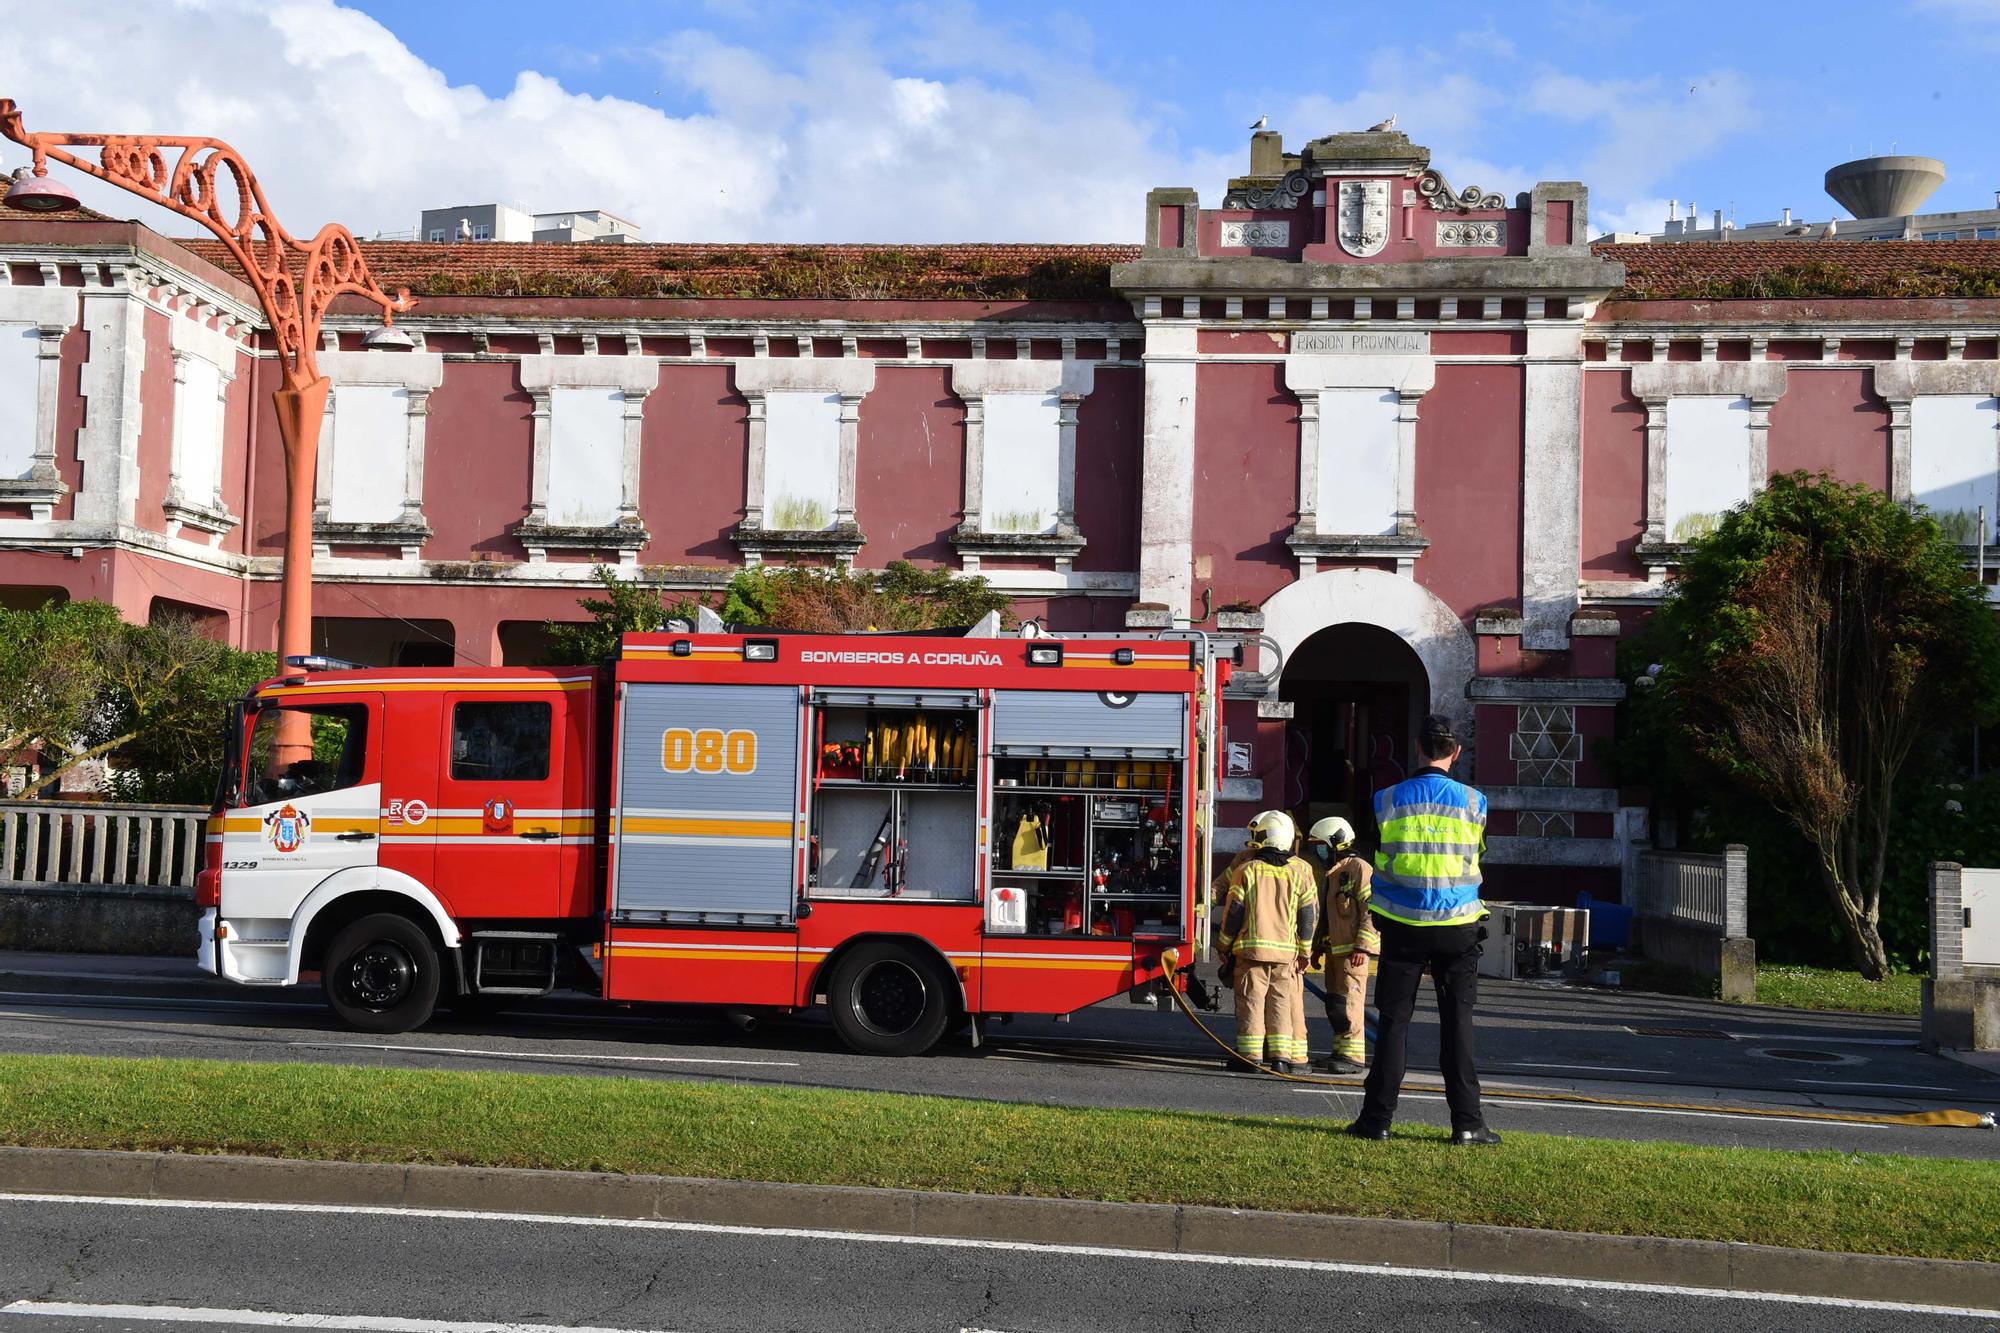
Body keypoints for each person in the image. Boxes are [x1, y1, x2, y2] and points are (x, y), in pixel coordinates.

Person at [1346, 714, 1501, 1146]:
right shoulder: (1474, 802)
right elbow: (1479, 855)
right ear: (1456, 753)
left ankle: (1376, 1121)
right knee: (1458, 1026)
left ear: (1417, 749)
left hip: (1402, 927)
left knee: (1394, 1024)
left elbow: (1379, 855)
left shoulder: (1386, 799)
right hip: (1458, 927)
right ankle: (1467, 1124)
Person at [1216, 810, 1318, 1073]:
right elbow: (1308, 916)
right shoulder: (1302, 871)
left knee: (1252, 1003)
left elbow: (1233, 913)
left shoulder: (1246, 870)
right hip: (1287, 955)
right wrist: (1305, 951)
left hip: (1252, 952)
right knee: (1281, 1005)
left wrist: (1223, 946)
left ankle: (1250, 1058)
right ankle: (1281, 1059)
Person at [1306, 816, 1378, 1074]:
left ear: (1336, 841)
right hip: (1335, 952)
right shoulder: (1334, 872)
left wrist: (1362, 946)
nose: (1318, 851)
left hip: (1352, 953)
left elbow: (1371, 911)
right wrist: (1316, 947)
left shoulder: (1360, 869)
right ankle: (1340, 1052)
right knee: (1335, 1004)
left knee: (1350, 1004)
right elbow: (1327, 917)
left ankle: (1353, 1057)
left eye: (1321, 845)